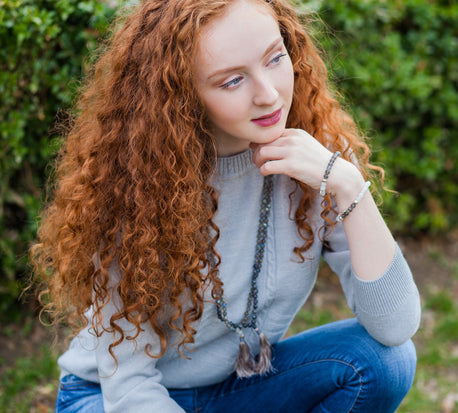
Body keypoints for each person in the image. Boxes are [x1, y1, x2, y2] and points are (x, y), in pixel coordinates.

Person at [31, 0, 421, 411]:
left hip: (235, 390)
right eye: (232, 81)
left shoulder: (318, 159)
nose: (268, 95)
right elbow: (130, 389)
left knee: (385, 363)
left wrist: (346, 183)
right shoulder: (135, 188)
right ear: (182, 94)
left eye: (275, 57)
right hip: (112, 400)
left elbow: (395, 328)